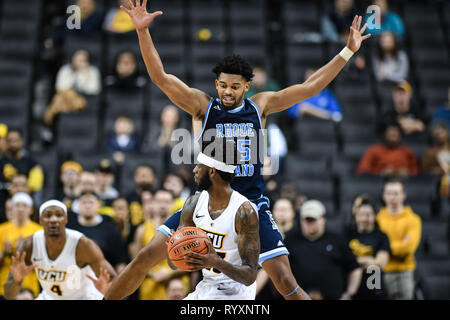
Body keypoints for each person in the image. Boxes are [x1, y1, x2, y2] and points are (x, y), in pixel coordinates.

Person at [116, 0, 370, 300]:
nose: (227, 92)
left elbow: (310, 87)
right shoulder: (202, 106)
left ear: (246, 87)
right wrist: (143, 32)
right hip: (206, 202)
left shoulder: (260, 107)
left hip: (250, 203)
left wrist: (347, 51)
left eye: (234, 87)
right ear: (216, 84)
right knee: (145, 257)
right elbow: (160, 77)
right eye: (222, 85)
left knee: (285, 279)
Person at [167, 152, 261, 299]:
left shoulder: (244, 212)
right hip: (206, 286)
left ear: (212, 171)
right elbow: (174, 265)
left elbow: (250, 276)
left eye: (199, 166)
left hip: (236, 292)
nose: (194, 170)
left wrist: (216, 262)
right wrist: (174, 249)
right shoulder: (193, 203)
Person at [3, 199, 117, 300]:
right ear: (40, 219)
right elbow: (9, 295)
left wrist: (106, 290)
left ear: (66, 219)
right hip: (50, 297)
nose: (53, 219)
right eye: (48, 215)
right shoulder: (29, 245)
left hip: (84, 297)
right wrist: (16, 281)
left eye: (59, 215)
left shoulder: (82, 244)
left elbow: (115, 280)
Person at [284, 200, 363, 300]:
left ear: (323, 219)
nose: (310, 223)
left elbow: (355, 268)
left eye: (313, 220)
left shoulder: (337, 240)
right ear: (301, 221)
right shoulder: (290, 241)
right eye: (307, 220)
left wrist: (349, 294)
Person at [130, 189, 189, 300]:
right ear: (153, 203)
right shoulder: (142, 229)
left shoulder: (183, 229)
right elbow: (136, 261)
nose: (162, 205)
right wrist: (152, 273)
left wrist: (169, 273)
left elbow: (191, 262)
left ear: (172, 203)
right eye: (159, 201)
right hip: (149, 282)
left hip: (176, 283)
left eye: (166, 202)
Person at [376, 178, 422, 300]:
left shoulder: (413, 219)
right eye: (388, 193)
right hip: (376, 271)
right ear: (383, 196)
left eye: (395, 193)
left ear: (403, 195)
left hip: (403, 273)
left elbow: (408, 248)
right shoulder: (377, 219)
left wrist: (384, 248)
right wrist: (399, 244)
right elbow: (372, 247)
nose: (392, 197)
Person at [67, 191, 129, 273]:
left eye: (91, 202)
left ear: (98, 205)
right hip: (75, 277)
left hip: (103, 277)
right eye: (84, 202)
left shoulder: (111, 230)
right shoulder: (70, 229)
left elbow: (120, 263)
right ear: (78, 205)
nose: (88, 206)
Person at [345, 194, 391, 300]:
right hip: (351, 287)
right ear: (355, 216)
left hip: (374, 287)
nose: (365, 219)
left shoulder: (381, 236)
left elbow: (381, 263)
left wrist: (355, 262)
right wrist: (369, 260)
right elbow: (344, 261)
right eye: (361, 215)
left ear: (374, 216)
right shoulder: (347, 234)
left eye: (368, 215)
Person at [0, 193, 42, 299]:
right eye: (17, 205)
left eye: (24, 206)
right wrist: (4, 252)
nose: (20, 209)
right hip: (3, 287)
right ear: (11, 208)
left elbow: (44, 263)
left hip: (29, 288)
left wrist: (25, 251)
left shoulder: (38, 231)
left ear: (31, 210)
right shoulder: (2, 230)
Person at [45, 49, 101, 125]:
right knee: (63, 96)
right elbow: (60, 87)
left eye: (82, 60)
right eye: (77, 59)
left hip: (85, 99)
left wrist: (84, 74)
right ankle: (75, 106)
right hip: (68, 98)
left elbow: (94, 90)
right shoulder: (65, 69)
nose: (78, 62)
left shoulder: (93, 71)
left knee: (58, 101)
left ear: (87, 61)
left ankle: (48, 121)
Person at [0, 128, 44, 214]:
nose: (13, 144)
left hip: (25, 202)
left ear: (21, 141)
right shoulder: (1, 162)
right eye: (9, 141)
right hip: (3, 203)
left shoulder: (32, 163)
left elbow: (35, 186)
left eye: (16, 140)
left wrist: (19, 189)